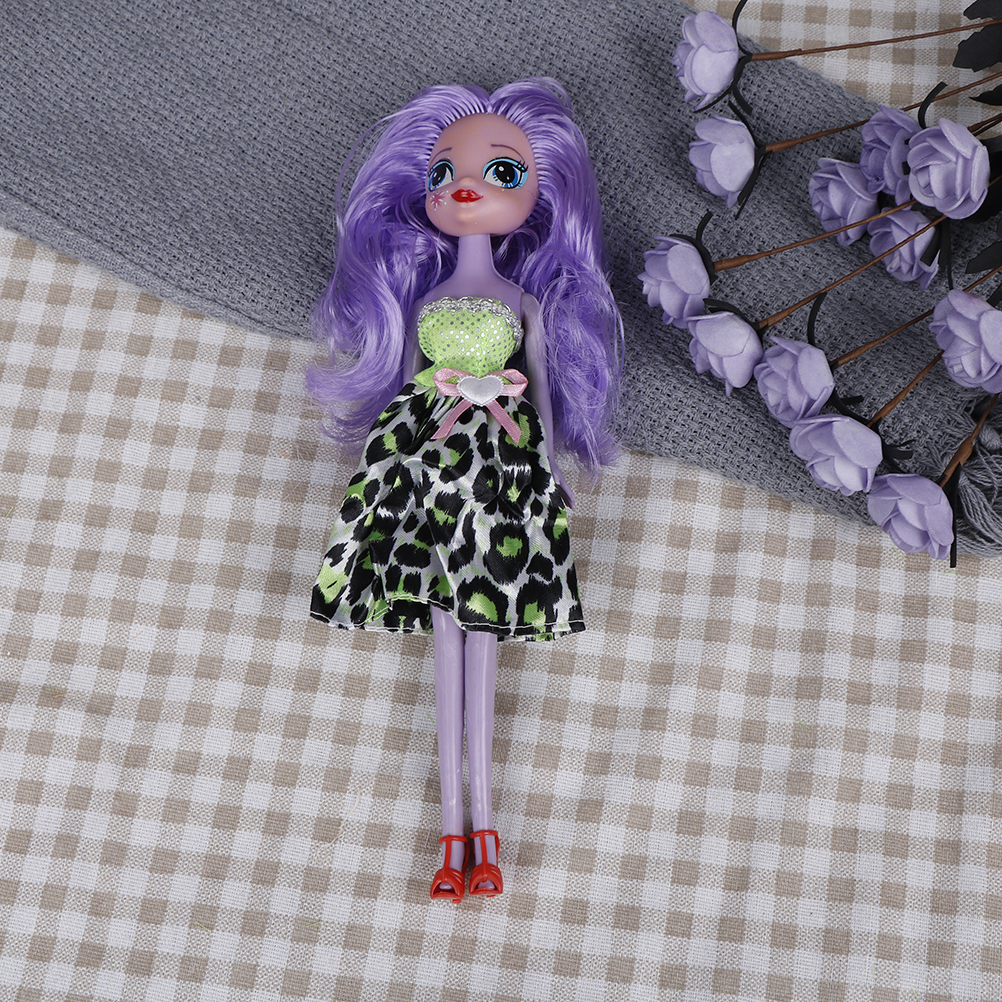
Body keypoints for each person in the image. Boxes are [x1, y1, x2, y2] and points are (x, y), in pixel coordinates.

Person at [307, 78, 622, 901]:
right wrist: (383, 477)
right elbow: (410, 390)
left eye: (502, 172)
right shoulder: (426, 299)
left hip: (501, 474)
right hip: (429, 468)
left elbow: (539, 391)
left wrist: (550, 469)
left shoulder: (525, 302)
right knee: (448, 641)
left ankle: (484, 830)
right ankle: (453, 835)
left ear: (543, 194)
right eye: (444, 172)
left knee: (481, 637)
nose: (467, 186)